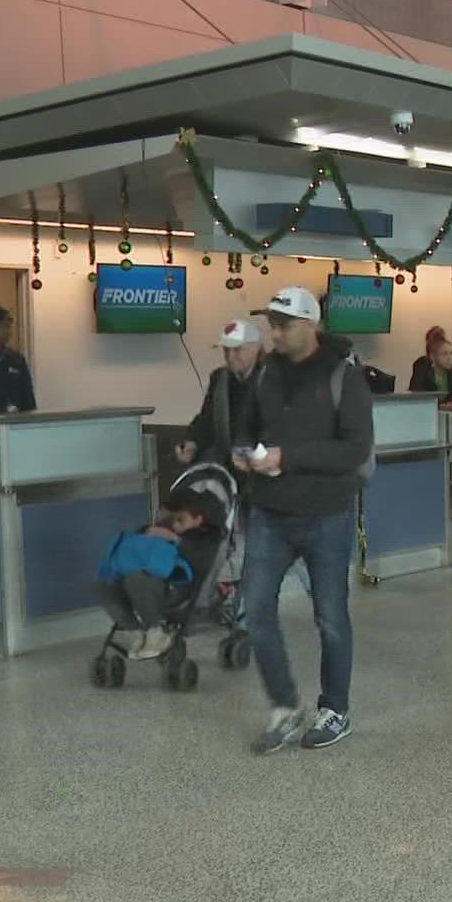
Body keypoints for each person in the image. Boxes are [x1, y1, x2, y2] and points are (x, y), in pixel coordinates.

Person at [234, 286, 375, 755]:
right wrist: (245, 451)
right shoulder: (266, 374)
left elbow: (354, 450)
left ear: (310, 325)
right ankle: (283, 706)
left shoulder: (343, 378)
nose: (274, 331)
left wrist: (287, 456)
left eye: (283, 323)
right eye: (271, 322)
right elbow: (248, 426)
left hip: (327, 515)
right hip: (269, 512)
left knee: (330, 616)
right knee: (256, 611)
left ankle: (335, 708)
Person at [94, 487, 224, 660]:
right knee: (104, 583)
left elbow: (197, 562)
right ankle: (134, 631)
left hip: (177, 589)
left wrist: (175, 539)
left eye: (180, 520)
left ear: (198, 520)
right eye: (172, 518)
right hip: (145, 584)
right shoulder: (166, 527)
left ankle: (157, 631)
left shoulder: (206, 539)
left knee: (137, 578)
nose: (175, 524)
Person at [178, 317, 265, 468]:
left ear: (255, 348)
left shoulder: (271, 378)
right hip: (226, 463)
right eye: (226, 350)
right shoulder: (219, 379)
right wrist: (192, 442)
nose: (230, 357)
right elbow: (207, 419)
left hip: (260, 465)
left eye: (237, 349)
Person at [409, 326, 452, 401]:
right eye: (444, 354)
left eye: (451, 353)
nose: (449, 357)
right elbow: (417, 398)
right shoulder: (422, 370)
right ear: (432, 356)